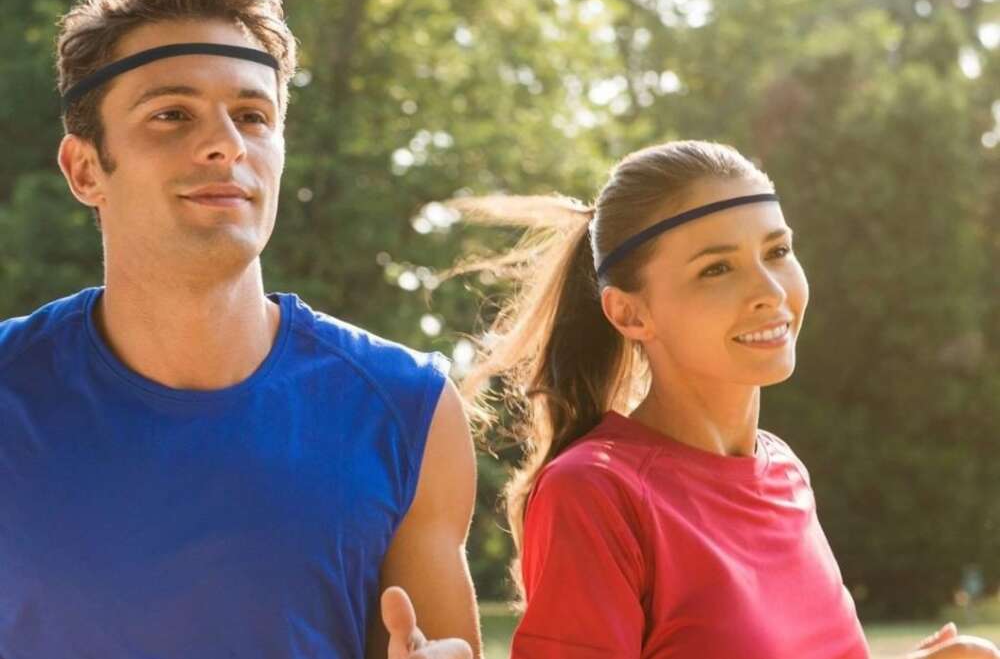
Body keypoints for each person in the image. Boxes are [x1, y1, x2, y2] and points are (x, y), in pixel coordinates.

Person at [0, 0, 478, 658]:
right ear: (85, 168)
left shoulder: (409, 411)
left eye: (253, 116)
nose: (227, 142)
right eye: (172, 114)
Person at [394, 140, 1000, 659]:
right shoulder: (595, 493)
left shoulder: (784, 471)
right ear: (629, 312)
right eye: (717, 269)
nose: (769, 291)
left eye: (778, 252)